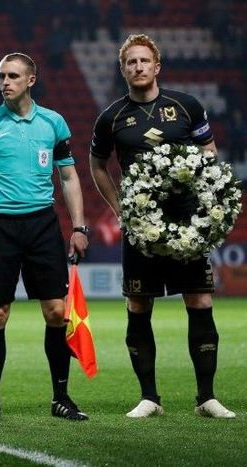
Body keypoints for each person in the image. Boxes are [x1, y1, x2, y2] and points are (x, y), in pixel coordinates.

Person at [89, 34, 236, 419]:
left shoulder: (186, 107)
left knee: (200, 301)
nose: (137, 67)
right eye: (130, 63)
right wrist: (121, 209)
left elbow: (209, 154)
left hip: (187, 222)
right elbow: (97, 166)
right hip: (142, 230)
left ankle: (207, 398)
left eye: (143, 61)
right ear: (123, 70)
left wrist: (207, 203)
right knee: (138, 304)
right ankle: (149, 398)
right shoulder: (112, 118)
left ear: (157, 66)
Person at [0, 52, 90, 422]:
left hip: (43, 226)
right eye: (1, 75)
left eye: (13, 75)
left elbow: (68, 177)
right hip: (0, 227)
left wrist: (79, 227)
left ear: (31, 80)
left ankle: (61, 398)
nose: (5, 82)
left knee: (55, 313)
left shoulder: (53, 123)